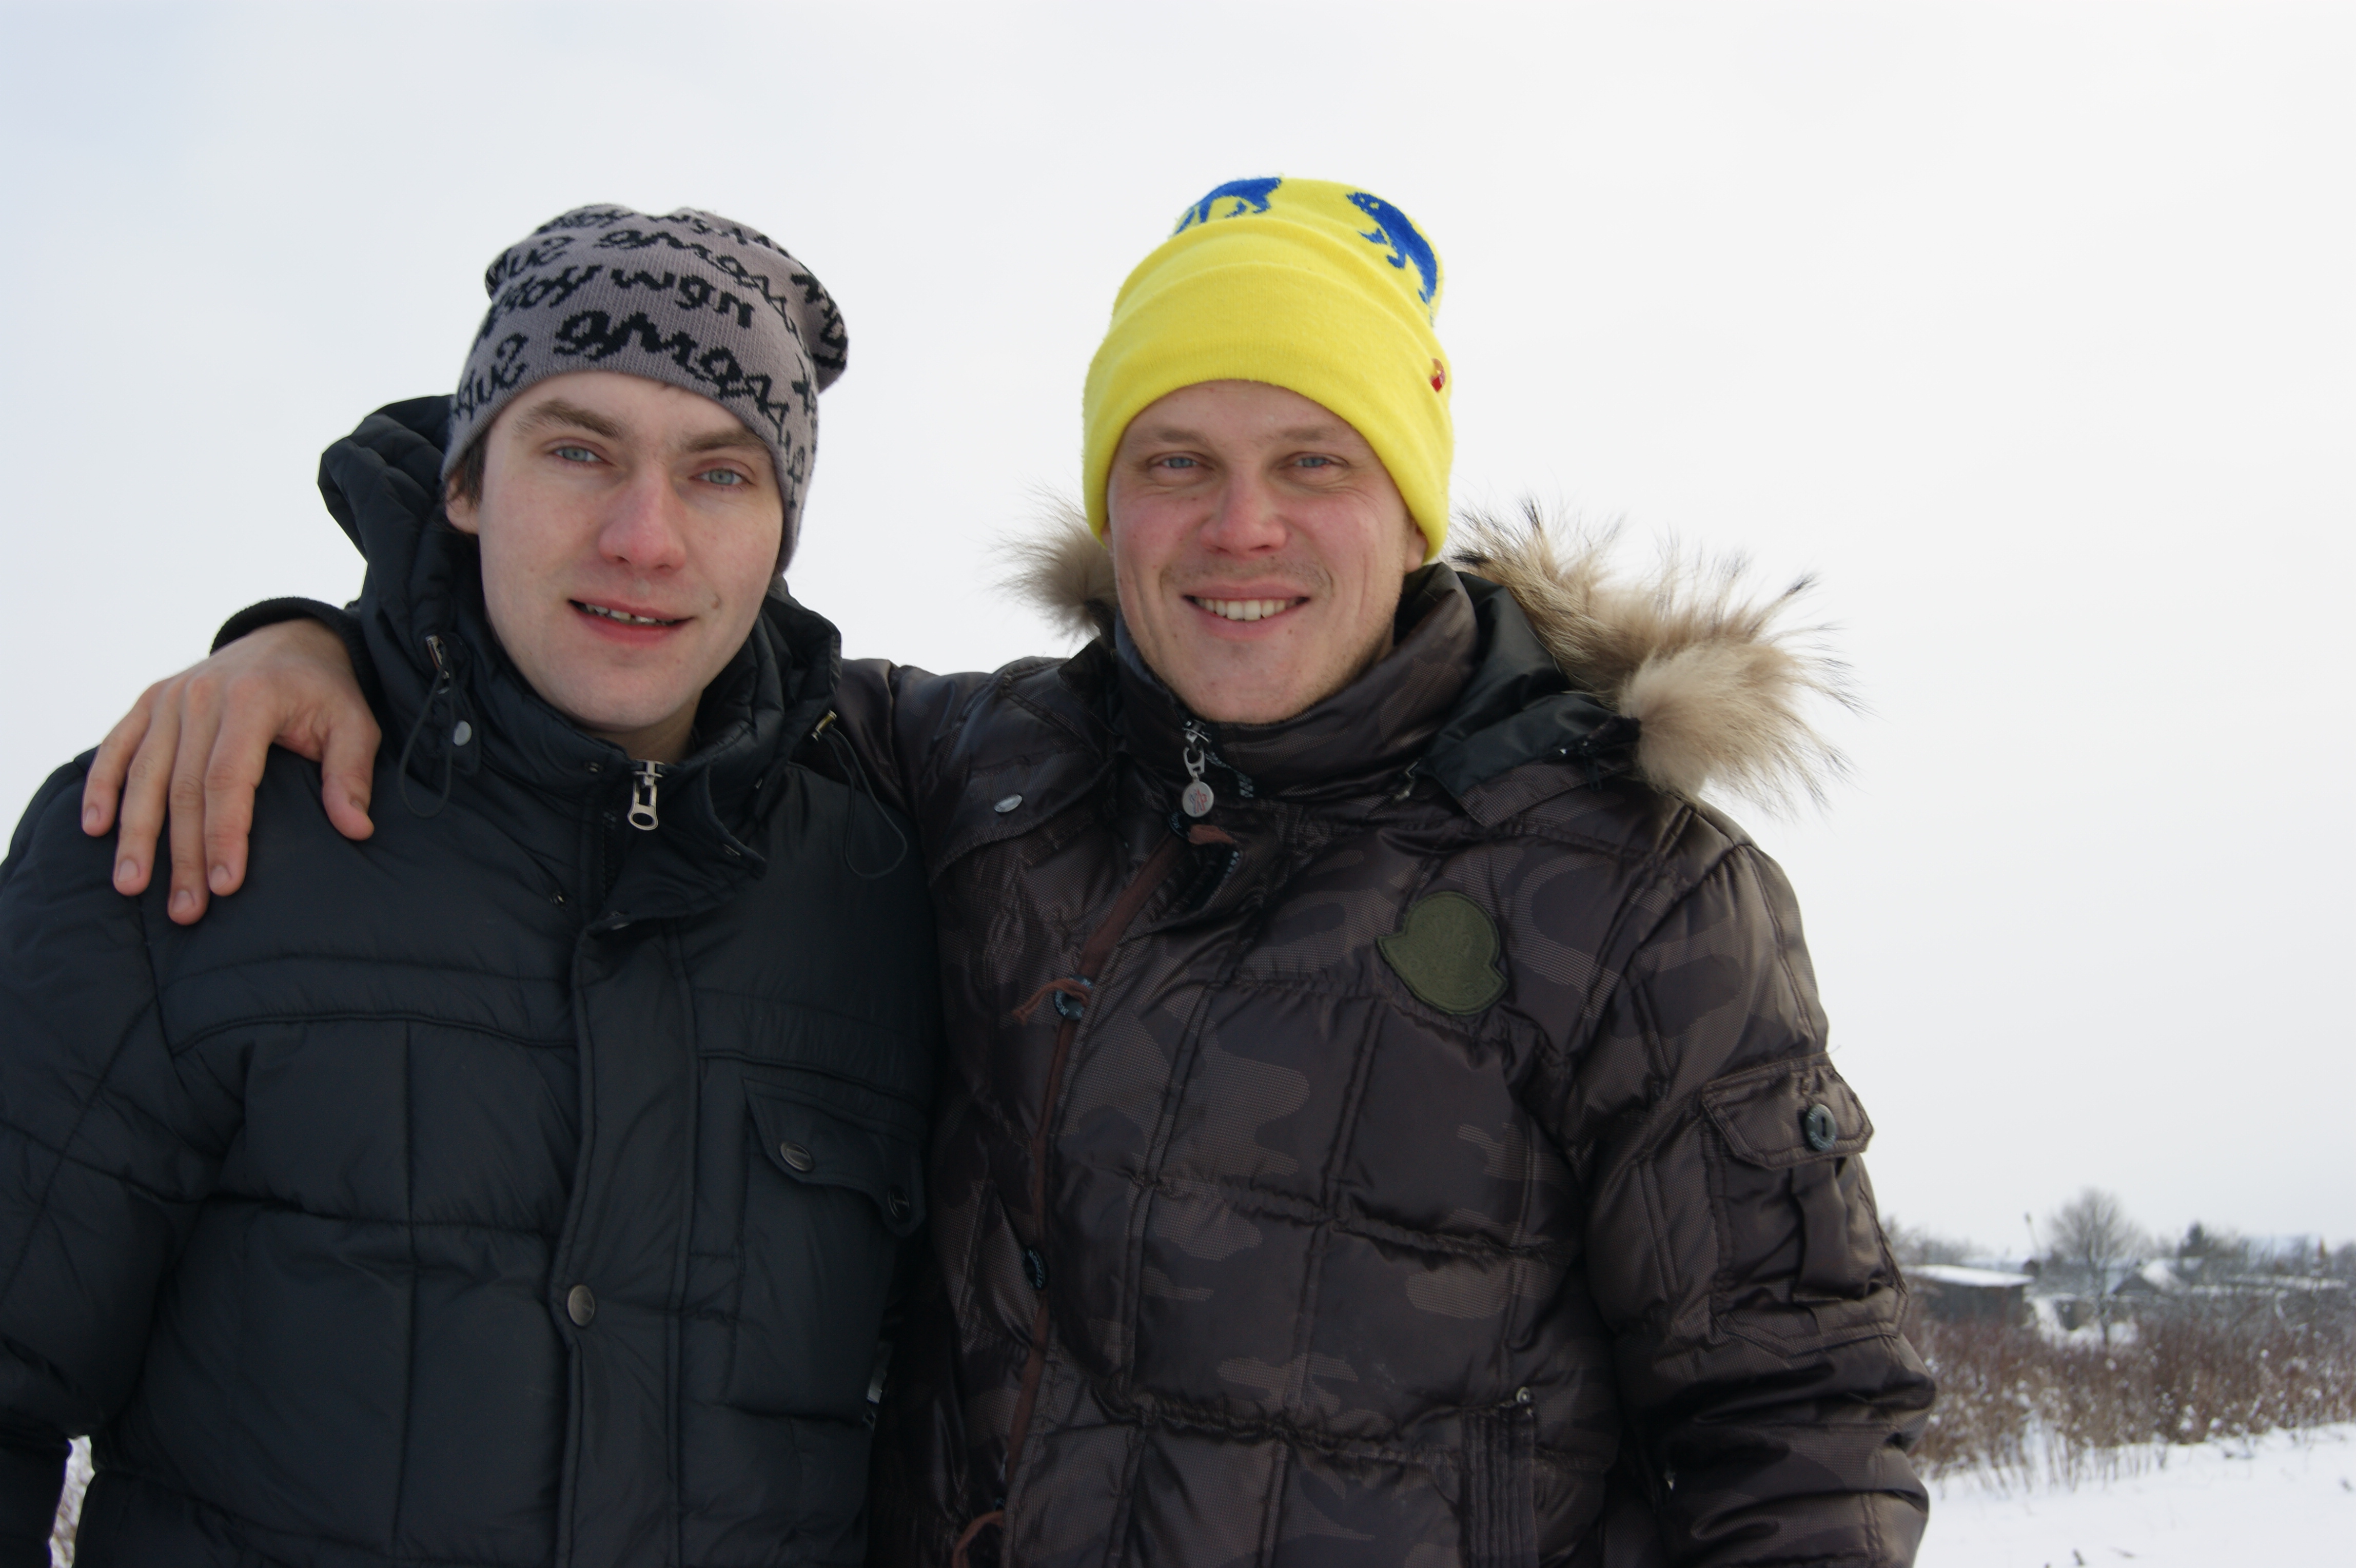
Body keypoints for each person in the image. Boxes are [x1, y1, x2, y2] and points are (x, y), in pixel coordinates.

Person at [86, 179, 1935, 1565]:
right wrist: (316, 646)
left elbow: (1803, 1423)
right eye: (1175, 460)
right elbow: (639, 658)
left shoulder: (1633, 892)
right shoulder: (974, 774)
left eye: (1315, 460)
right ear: (1108, 502)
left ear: (1411, 502)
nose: (1241, 526)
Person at [0, 205, 941, 1566]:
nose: (645, 537)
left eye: (721, 473)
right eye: (577, 450)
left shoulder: (881, 902)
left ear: (779, 535)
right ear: (463, 483)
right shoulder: (192, 821)